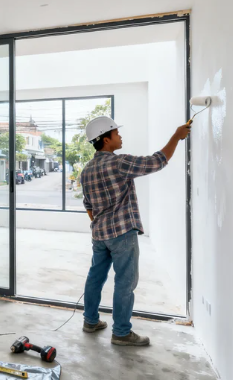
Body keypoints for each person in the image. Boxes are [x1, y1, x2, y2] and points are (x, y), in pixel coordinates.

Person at [80, 116, 190, 346]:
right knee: (125, 282)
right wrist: (176, 137)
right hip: (122, 234)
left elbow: (88, 205)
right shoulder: (119, 162)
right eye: (117, 134)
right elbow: (157, 161)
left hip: (99, 235)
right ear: (106, 139)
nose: (120, 137)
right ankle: (121, 333)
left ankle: (90, 321)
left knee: (95, 277)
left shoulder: (87, 170)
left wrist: (101, 223)